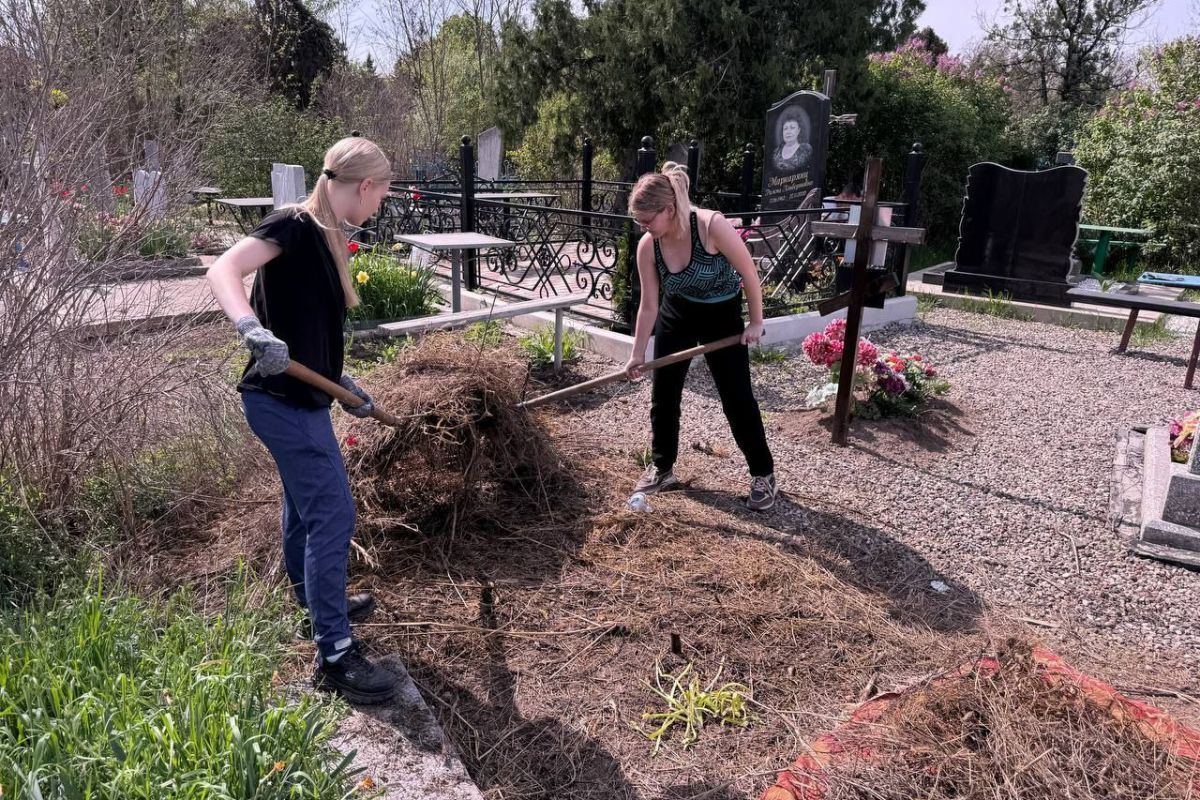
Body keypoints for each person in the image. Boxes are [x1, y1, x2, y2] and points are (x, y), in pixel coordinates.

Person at [206, 136, 397, 705]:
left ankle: (313, 602)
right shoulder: (295, 224)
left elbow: (314, 334)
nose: (378, 208)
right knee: (334, 515)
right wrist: (251, 330)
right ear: (364, 186)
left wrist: (344, 388)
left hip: (304, 399)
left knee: (303, 509)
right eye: (381, 196)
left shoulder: (332, 236)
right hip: (279, 402)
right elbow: (224, 269)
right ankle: (335, 656)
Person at [624, 162, 778, 511]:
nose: (644, 228)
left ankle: (763, 475)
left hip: (721, 314)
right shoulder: (649, 246)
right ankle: (663, 468)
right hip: (677, 312)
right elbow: (649, 305)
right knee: (664, 396)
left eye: (648, 220)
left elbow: (749, 274)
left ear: (669, 208)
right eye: (640, 222)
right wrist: (637, 354)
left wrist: (755, 321)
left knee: (736, 397)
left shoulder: (711, 225)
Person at [772, 107, 812, 173]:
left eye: (792, 128)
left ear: (798, 130)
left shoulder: (806, 150)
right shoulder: (776, 152)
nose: (788, 132)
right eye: (785, 129)